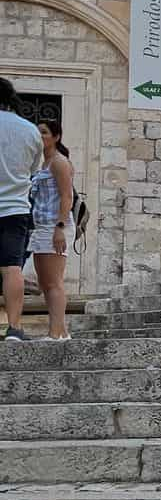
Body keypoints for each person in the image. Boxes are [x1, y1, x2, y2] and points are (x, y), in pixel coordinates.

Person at [0, 78, 44, 343]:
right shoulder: (29, 131)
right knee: (11, 268)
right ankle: (14, 328)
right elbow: (32, 172)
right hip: (15, 209)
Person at [28, 120, 74, 341]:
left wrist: (60, 228)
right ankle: (61, 331)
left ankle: (55, 333)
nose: (40, 136)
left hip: (54, 226)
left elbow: (67, 196)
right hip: (40, 227)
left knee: (53, 281)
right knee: (44, 282)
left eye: (44, 133)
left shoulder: (59, 162)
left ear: (56, 137)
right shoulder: (42, 163)